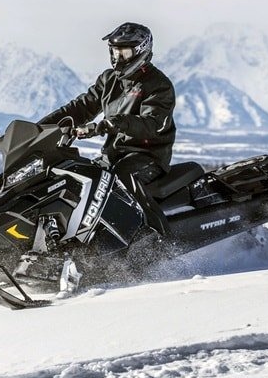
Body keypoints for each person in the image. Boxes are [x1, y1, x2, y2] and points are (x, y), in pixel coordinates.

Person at [37, 22, 176, 234]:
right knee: (77, 177)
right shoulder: (109, 79)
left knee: (120, 179)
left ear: (141, 51)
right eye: (115, 52)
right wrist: (40, 127)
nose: (117, 58)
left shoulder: (158, 84)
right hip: (113, 154)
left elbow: (153, 124)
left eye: (124, 53)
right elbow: (80, 107)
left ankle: (158, 241)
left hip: (146, 156)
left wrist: (108, 125)